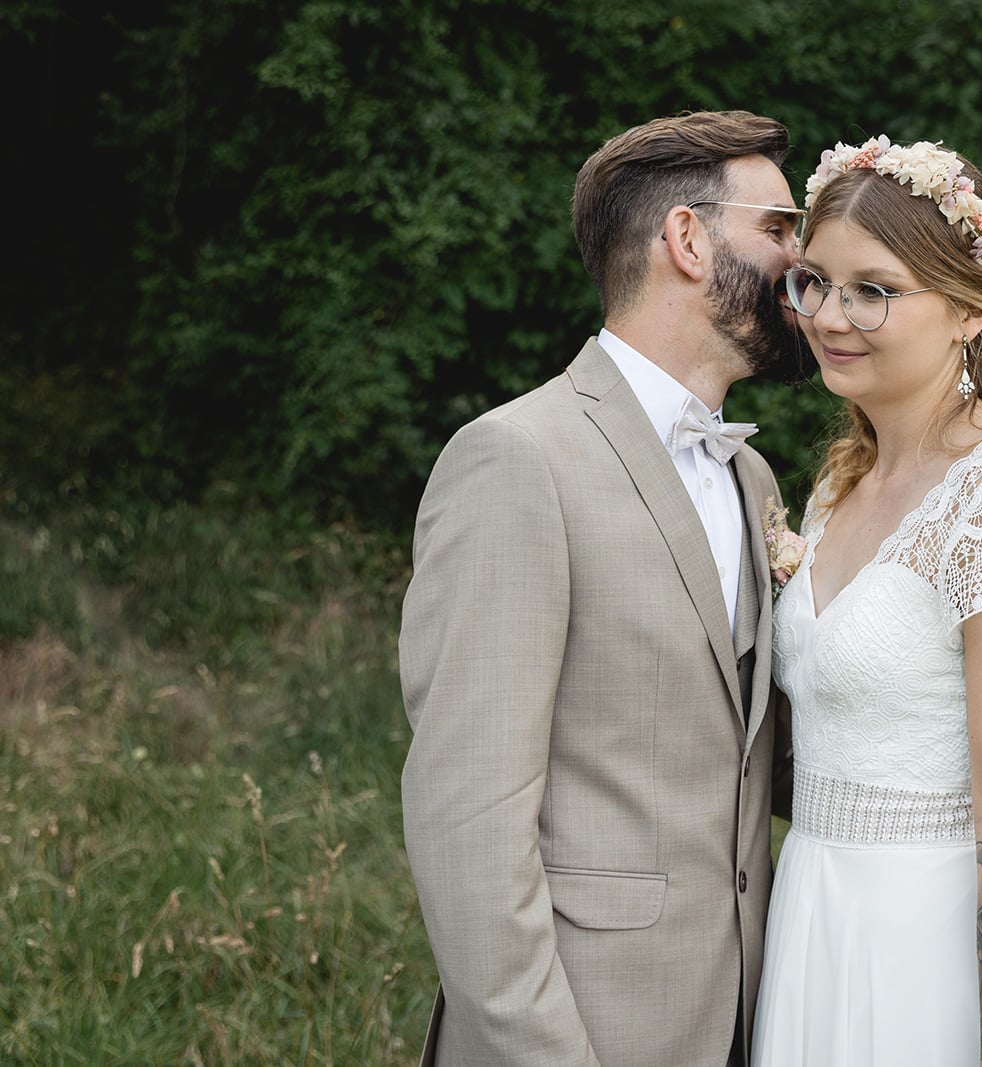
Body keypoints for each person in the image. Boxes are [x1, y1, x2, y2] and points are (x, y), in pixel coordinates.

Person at [399, 110, 810, 1066]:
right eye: (781, 227)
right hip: (585, 1028)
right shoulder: (516, 459)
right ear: (687, 240)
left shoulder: (752, 481)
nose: (806, 257)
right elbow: (468, 820)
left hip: (746, 1016)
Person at [749, 137, 982, 1066]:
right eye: (814, 281)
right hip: (812, 922)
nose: (830, 315)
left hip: (925, 949)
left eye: (873, 289)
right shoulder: (844, 483)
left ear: (965, 309)